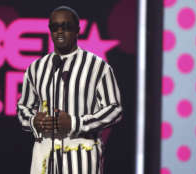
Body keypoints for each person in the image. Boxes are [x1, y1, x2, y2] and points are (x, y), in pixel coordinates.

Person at [17, 5, 122, 174]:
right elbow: (23, 108)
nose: (60, 31)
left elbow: (114, 110)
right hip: (44, 156)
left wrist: (75, 123)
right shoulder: (36, 68)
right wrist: (34, 120)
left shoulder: (97, 67)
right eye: (55, 27)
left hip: (81, 154)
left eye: (66, 26)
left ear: (77, 30)